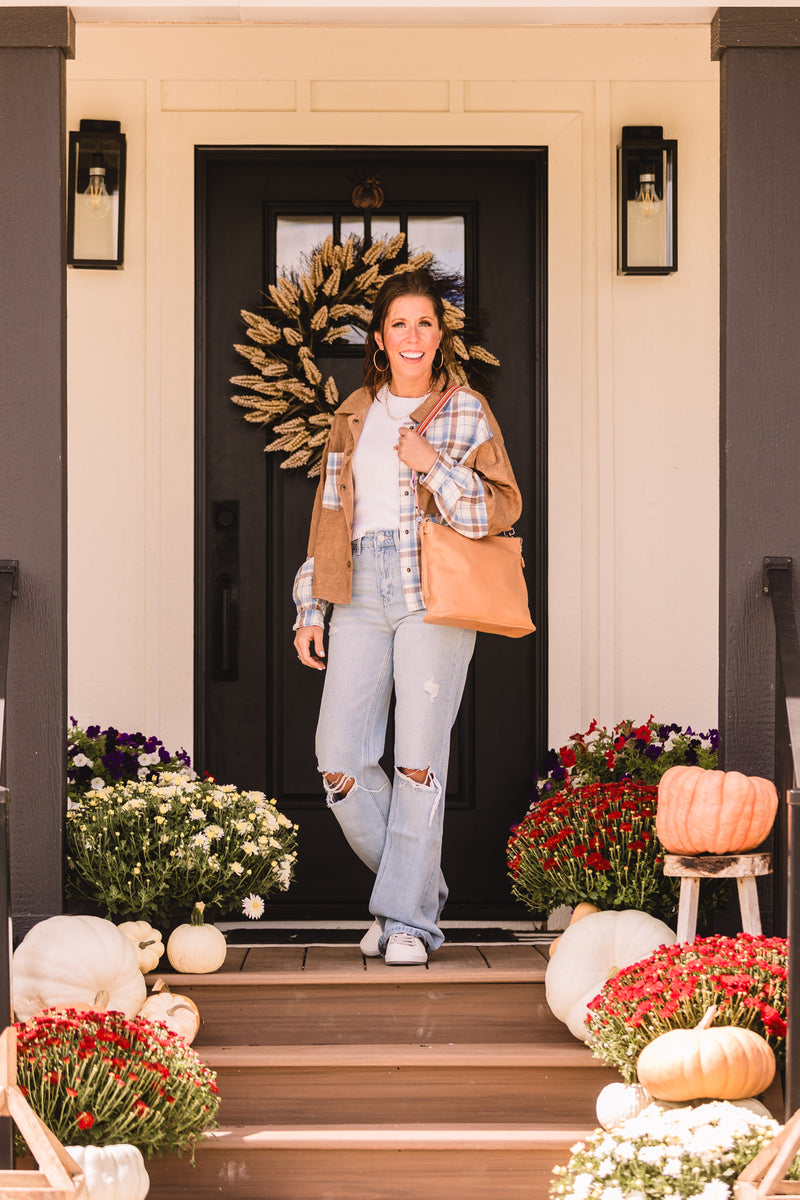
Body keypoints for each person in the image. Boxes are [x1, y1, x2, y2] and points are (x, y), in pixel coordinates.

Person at [292, 268, 522, 965]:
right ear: (380, 338)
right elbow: (329, 520)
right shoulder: (354, 412)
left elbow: (497, 511)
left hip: (433, 591)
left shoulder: (467, 411)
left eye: (425, 323)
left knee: (419, 762)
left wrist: (432, 466)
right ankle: (418, 895)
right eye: (400, 324)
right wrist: (311, 606)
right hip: (358, 586)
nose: (413, 336)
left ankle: (407, 924)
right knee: (339, 761)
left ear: (439, 334)